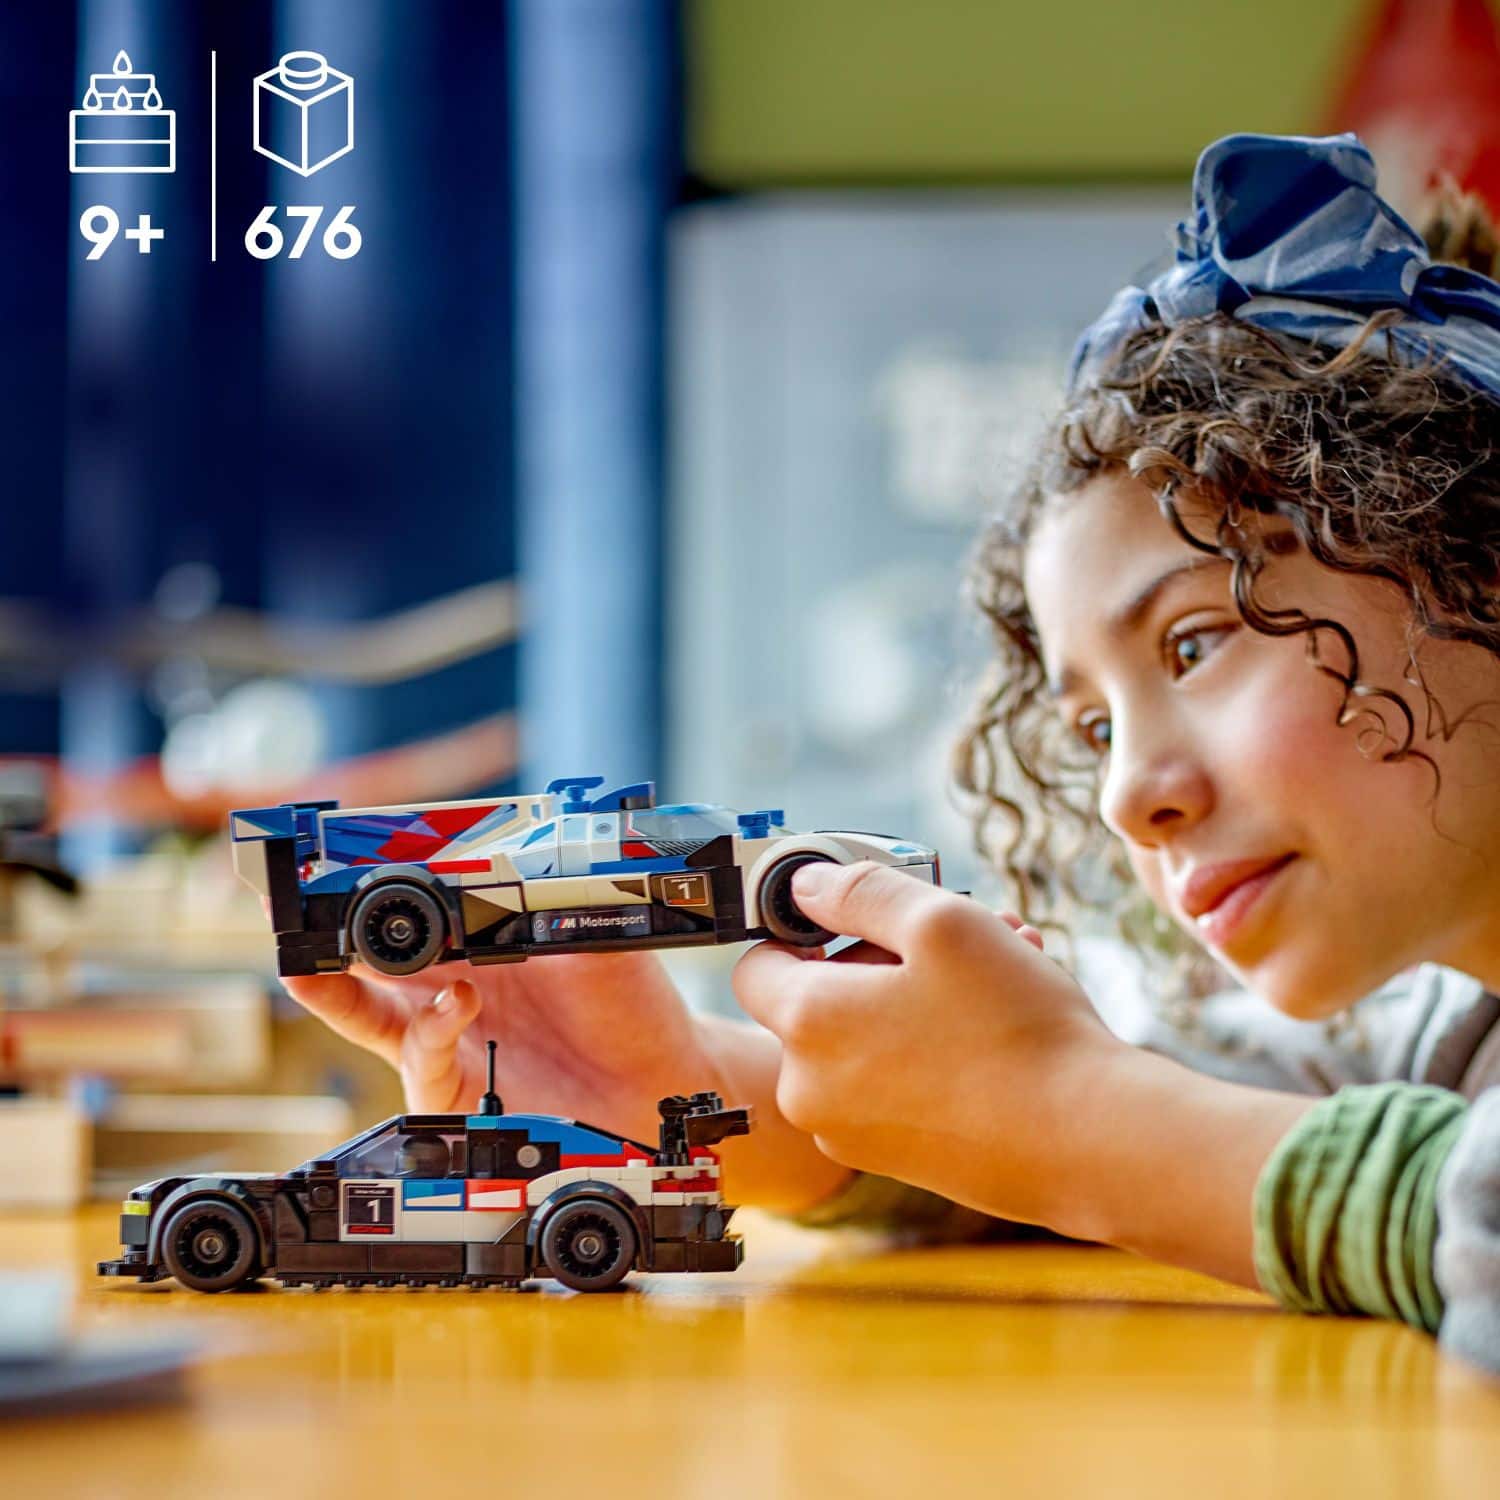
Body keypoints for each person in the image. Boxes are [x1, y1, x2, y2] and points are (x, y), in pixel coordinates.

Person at [282, 134, 1500, 1372]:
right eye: (1092, 728)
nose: (1130, 795)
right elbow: (1213, 1120)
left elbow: (1329, 1177)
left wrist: (1076, 1119)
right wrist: (683, 1096)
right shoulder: (1442, 1018)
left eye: (1194, 645)